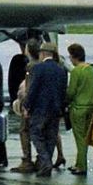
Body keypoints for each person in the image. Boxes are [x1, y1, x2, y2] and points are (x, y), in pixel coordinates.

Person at [25, 42, 68, 177]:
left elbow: (33, 89)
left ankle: (45, 161)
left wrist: (27, 106)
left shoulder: (38, 68)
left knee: (36, 135)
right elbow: (63, 91)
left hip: (39, 109)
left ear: (42, 53)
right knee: (51, 137)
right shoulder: (61, 70)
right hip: (55, 109)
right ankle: (46, 164)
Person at [10, 39, 43, 174]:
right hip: (41, 106)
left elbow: (29, 89)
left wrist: (25, 106)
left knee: (24, 131)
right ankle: (41, 159)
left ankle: (27, 160)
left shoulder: (30, 66)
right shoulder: (42, 65)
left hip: (30, 106)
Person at [65, 43, 93, 176]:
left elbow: (71, 92)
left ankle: (82, 166)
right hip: (91, 106)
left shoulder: (76, 71)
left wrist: (65, 101)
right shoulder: (90, 69)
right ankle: (79, 162)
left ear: (74, 57)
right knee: (85, 136)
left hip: (78, 108)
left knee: (80, 139)